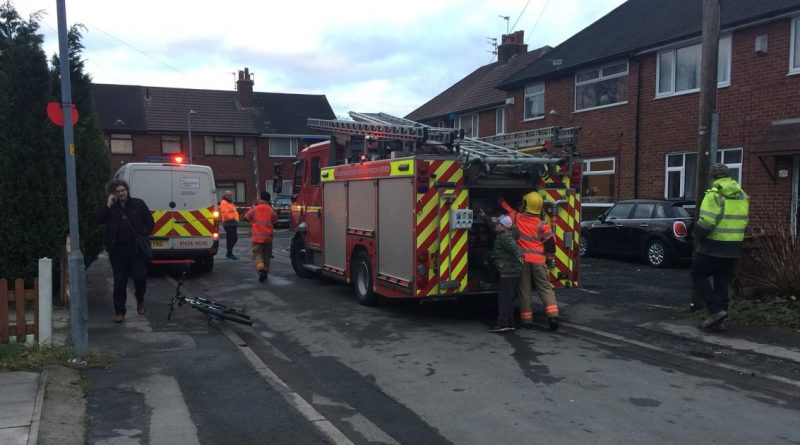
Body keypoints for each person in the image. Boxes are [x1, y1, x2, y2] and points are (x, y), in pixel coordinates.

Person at [691, 163, 749, 331]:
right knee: (721, 281)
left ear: (713, 177)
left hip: (713, 244)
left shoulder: (714, 194)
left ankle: (715, 311)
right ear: (729, 175)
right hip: (733, 246)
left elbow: (707, 221)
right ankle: (720, 319)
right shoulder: (742, 195)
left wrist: (696, 235)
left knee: (698, 275)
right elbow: (744, 220)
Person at [95, 179, 155, 323]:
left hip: (136, 250)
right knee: (119, 282)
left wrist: (143, 234)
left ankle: (140, 299)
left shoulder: (138, 204)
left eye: (123, 190)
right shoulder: (111, 208)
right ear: (113, 194)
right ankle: (119, 311)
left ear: (127, 190)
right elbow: (98, 219)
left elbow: (150, 222)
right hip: (118, 251)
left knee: (140, 277)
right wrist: (107, 205)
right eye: (118, 191)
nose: (121, 193)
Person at [499, 191, 560, 331]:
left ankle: (527, 320)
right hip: (538, 261)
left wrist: (500, 200)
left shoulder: (516, 217)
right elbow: (551, 244)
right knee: (545, 288)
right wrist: (550, 259)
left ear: (525, 204)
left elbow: (508, 210)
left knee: (524, 290)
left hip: (522, 261)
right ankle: (553, 316)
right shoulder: (542, 225)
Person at [488, 215, 523, 333]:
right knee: (510, 298)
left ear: (504, 226)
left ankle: (503, 323)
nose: (496, 225)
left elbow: (515, 249)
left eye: (499, 224)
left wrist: (520, 257)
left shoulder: (505, 237)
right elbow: (492, 224)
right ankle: (510, 322)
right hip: (513, 272)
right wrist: (484, 216)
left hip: (508, 272)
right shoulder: (507, 233)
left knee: (504, 298)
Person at [244, 191, 278, 282]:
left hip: (257, 237)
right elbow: (275, 221)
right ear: (268, 199)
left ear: (261, 198)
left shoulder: (255, 208)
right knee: (267, 256)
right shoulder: (271, 209)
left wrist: (252, 222)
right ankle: (265, 271)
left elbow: (246, 217)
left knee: (257, 255)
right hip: (268, 237)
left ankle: (261, 270)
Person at [219, 190, 240, 260]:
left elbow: (233, 211)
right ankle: (229, 254)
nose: (230, 196)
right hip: (229, 223)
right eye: (228, 195)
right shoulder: (224, 203)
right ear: (225, 196)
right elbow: (225, 213)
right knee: (231, 239)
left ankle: (229, 253)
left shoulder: (229, 203)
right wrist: (232, 218)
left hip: (232, 223)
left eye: (231, 195)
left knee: (233, 239)